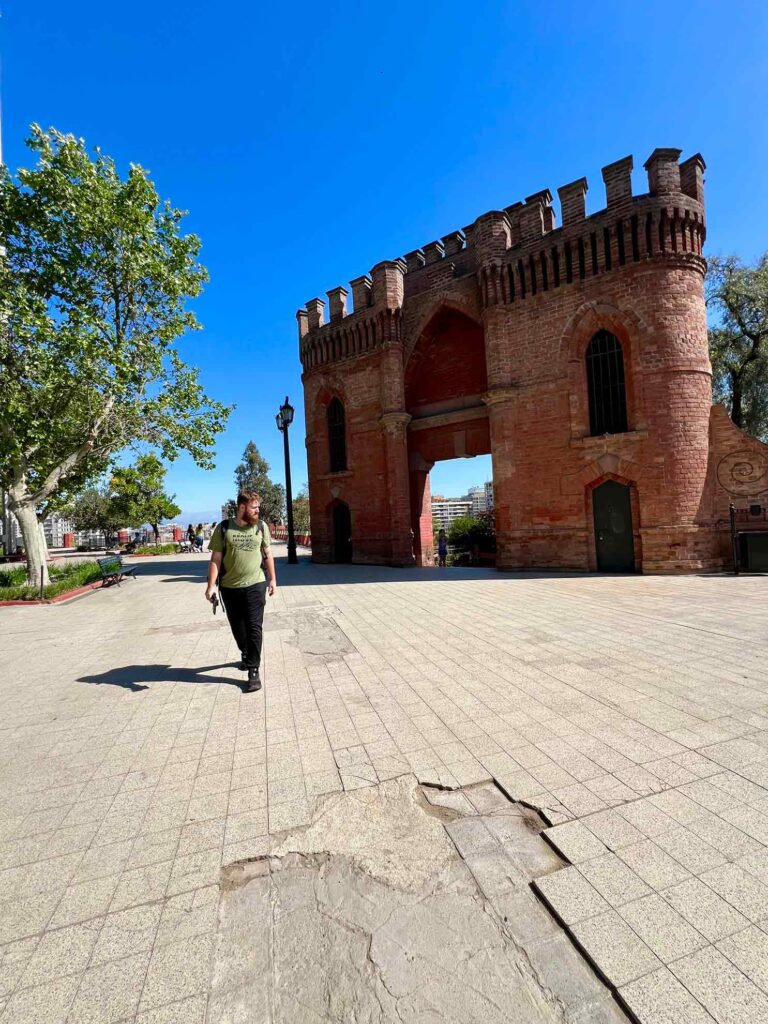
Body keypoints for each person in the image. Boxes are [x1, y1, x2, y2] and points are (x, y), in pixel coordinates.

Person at [205, 490, 276, 692]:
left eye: (258, 507)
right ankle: (245, 652)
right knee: (238, 628)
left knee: (255, 626)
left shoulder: (261, 527)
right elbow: (216, 559)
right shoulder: (224, 528)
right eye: (254, 508)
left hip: (256, 584)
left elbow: (267, 553)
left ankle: (253, 669)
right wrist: (211, 585)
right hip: (229, 587)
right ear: (242, 508)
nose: (257, 511)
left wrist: (273, 579)